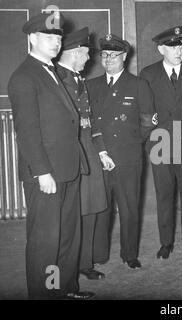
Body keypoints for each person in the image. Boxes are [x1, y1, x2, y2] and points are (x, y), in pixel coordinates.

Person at [7, 12, 94, 299]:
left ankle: (65, 288)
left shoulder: (52, 72)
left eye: (58, 37)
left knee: (68, 236)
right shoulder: (25, 77)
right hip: (47, 175)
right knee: (47, 243)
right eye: (48, 37)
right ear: (32, 38)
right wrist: (42, 172)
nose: (55, 42)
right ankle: (47, 293)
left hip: (67, 169)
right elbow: (28, 132)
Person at [87, 34, 156, 269]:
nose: (108, 60)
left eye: (113, 55)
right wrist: (101, 151)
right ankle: (99, 254)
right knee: (101, 209)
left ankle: (130, 255)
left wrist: (132, 144)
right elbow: (89, 122)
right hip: (100, 157)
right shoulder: (91, 85)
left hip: (128, 158)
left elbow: (148, 121)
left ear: (124, 57)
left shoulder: (138, 84)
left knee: (129, 209)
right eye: (104, 55)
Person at [140, 26, 182, 259]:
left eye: (181, 46)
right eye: (172, 47)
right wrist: (149, 139)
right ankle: (165, 243)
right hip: (160, 143)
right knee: (164, 196)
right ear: (161, 49)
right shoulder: (148, 74)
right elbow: (144, 111)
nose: (178, 51)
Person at [55, 27, 107, 280]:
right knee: (73, 214)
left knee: (91, 207)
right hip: (71, 153)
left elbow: (89, 120)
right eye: (86, 53)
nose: (89, 59)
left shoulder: (77, 79)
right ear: (75, 52)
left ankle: (84, 262)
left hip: (88, 149)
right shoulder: (57, 79)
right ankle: (69, 267)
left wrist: (100, 151)